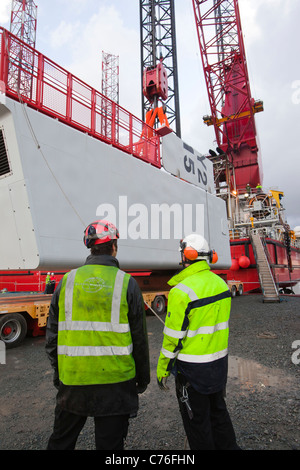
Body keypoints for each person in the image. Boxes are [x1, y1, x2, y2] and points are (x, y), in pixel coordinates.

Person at [45, 219, 150, 450]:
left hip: (73, 379)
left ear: (89, 247)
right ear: (114, 245)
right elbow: (139, 339)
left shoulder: (66, 282)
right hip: (116, 382)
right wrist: (142, 378)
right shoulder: (127, 283)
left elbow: (52, 336)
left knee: (61, 442)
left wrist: (58, 372)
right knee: (110, 447)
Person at [156, 234, 240, 450]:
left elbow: (172, 339)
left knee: (197, 423)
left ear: (186, 255)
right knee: (219, 413)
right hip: (219, 364)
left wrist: (162, 370)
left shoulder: (181, 291)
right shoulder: (221, 285)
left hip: (192, 372)